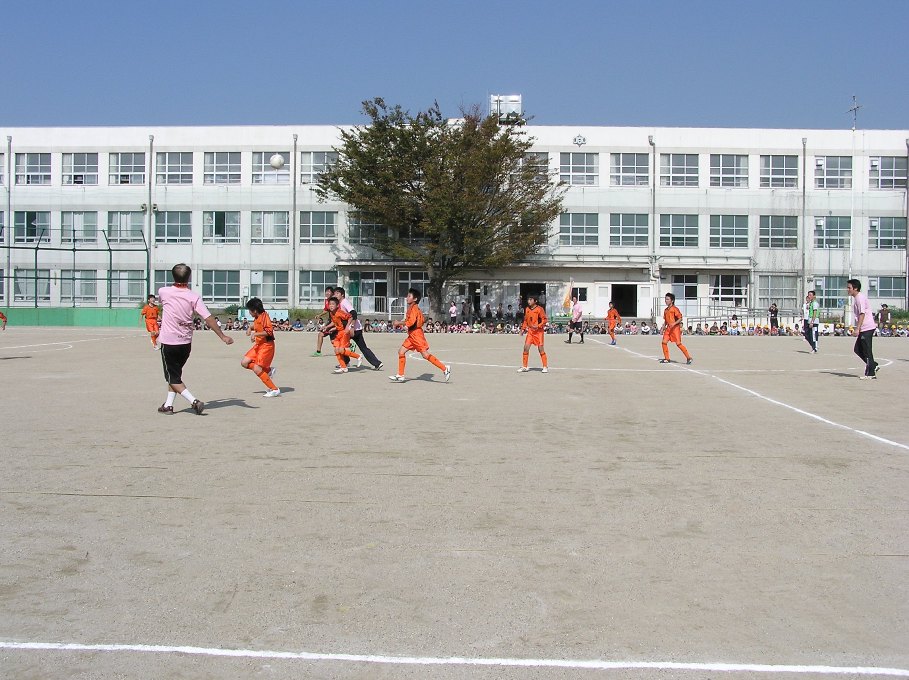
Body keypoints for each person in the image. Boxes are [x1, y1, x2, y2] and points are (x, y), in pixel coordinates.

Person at [155, 263, 234, 415]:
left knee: (172, 377)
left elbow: (162, 302)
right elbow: (208, 318)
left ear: (173, 275)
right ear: (189, 277)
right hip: (185, 343)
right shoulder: (194, 296)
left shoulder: (163, 291)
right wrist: (223, 336)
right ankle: (168, 405)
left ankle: (194, 401)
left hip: (169, 342)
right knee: (175, 375)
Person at [389, 288, 450, 383]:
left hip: (417, 335)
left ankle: (445, 368)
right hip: (412, 335)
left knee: (425, 355)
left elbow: (411, 322)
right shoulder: (413, 308)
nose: (407, 298)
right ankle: (400, 375)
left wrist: (399, 323)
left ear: (415, 299)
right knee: (401, 351)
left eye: (409, 296)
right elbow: (418, 321)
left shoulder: (414, 309)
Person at [335, 286, 382, 370]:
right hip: (354, 329)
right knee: (361, 347)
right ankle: (377, 363)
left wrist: (352, 327)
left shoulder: (344, 302)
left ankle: (346, 362)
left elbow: (354, 313)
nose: (335, 295)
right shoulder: (339, 304)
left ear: (342, 295)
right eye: (335, 293)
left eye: (337, 293)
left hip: (354, 330)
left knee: (341, 345)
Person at [241, 297, 280, 397]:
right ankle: (268, 371)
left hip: (267, 346)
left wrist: (255, 334)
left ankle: (274, 389)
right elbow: (257, 326)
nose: (249, 312)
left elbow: (269, 331)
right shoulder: (257, 317)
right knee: (244, 363)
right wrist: (250, 328)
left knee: (257, 368)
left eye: (250, 310)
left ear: (254, 310)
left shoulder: (264, 317)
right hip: (259, 345)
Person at [321, 296, 362, 374]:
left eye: (333, 304)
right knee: (336, 350)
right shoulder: (331, 313)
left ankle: (358, 356)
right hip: (339, 332)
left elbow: (350, 317)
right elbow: (335, 322)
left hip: (344, 333)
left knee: (341, 350)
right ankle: (343, 367)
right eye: (330, 304)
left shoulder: (340, 312)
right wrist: (328, 327)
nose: (331, 306)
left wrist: (348, 327)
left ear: (337, 305)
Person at [847, 279, 879, 379]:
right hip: (864, 328)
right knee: (857, 349)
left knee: (866, 350)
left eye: (849, 288)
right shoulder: (857, 298)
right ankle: (873, 365)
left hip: (867, 327)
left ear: (855, 288)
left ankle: (871, 374)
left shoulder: (860, 298)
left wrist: (857, 328)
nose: (847, 289)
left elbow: (862, 314)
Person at [517, 293, 549, 373]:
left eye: (531, 300)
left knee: (540, 349)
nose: (529, 301)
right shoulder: (527, 309)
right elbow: (525, 320)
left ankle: (545, 366)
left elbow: (544, 320)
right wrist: (523, 329)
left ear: (535, 301)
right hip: (530, 332)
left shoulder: (540, 309)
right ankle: (525, 366)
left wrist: (538, 326)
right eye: (528, 299)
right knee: (526, 348)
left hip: (539, 332)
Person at [659, 292, 692, 365]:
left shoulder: (675, 309)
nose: (666, 301)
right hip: (668, 329)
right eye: (665, 299)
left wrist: (674, 323)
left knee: (678, 344)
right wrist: (662, 328)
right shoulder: (666, 310)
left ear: (672, 300)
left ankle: (688, 357)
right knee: (664, 342)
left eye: (667, 299)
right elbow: (666, 321)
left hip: (675, 329)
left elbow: (680, 318)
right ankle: (667, 358)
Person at [311, 286, 336, 357]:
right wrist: (320, 315)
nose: (327, 293)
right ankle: (318, 352)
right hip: (331, 321)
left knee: (323, 335)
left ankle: (349, 346)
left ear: (332, 293)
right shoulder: (327, 301)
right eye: (326, 291)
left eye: (329, 292)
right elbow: (326, 310)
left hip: (335, 322)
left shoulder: (335, 301)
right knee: (331, 340)